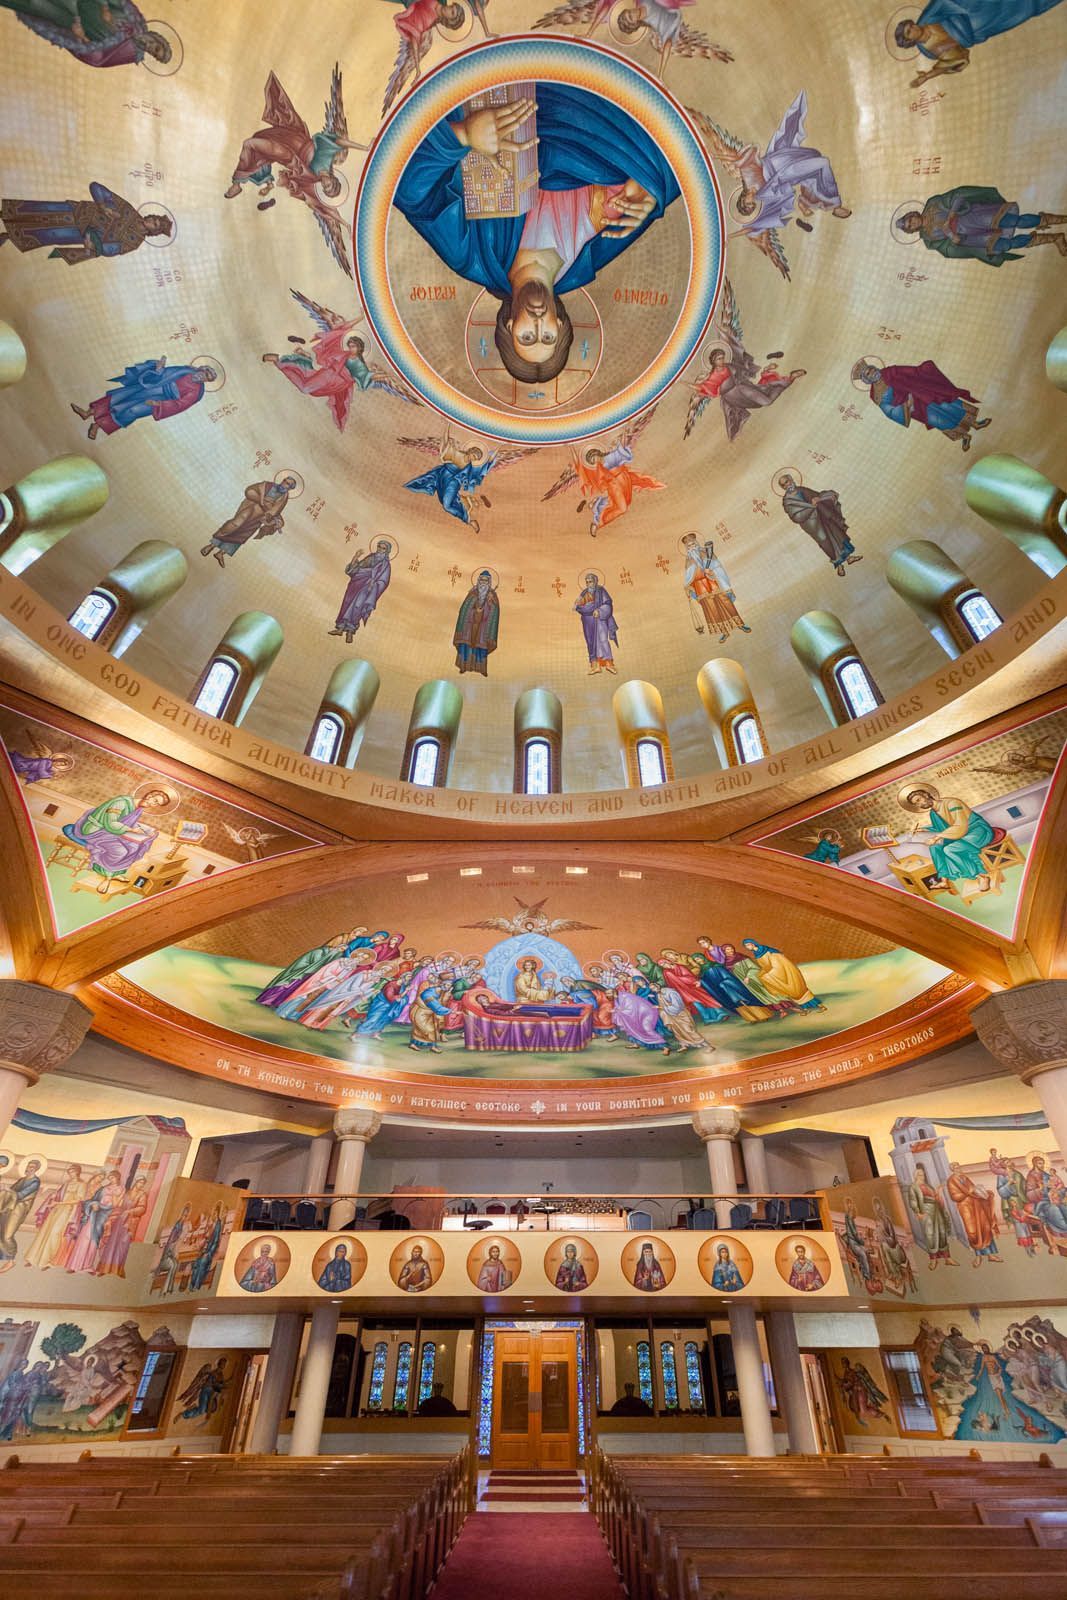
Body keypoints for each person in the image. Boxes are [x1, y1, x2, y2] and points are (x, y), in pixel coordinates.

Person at [392, 84, 679, 384]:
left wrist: (464, 135)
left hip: (489, 85)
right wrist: (649, 187)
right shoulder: (592, 251)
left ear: (509, 323)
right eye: (548, 335)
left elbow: (408, 191)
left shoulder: (474, 256)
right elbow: (675, 164)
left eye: (528, 337)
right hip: (580, 84)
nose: (539, 325)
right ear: (560, 322)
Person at [893, 2, 1065, 88]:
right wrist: (927, 76)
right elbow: (953, 59)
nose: (914, 27)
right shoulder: (930, 50)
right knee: (1022, 10)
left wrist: (963, 12)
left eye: (911, 25)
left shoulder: (927, 18)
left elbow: (943, 2)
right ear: (910, 41)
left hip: (974, 7)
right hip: (981, 28)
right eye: (910, 31)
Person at [0, 183, 171, 263]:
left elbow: (111, 250)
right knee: (43, 209)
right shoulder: (128, 210)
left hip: (84, 234)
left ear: (153, 232)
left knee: (49, 234)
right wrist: (103, 206)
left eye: (154, 224)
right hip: (77, 211)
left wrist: (92, 246)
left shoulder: (133, 242)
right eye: (153, 218)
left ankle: (9, 235)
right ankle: (5, 214)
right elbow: (96, 187)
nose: (150, 220)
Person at [897, 186, 1067, 263]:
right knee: (1008, 244)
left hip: (975, 216)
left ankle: (1061, 219)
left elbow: (959, 197)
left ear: (913, 214)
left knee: (1015, 221)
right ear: (912, 230)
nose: (913, 223)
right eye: (910, 226)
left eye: (910, 220)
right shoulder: (928, 238)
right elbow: (948, 249)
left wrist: (951, 215)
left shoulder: (933, 204)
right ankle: (1054, 238)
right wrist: (954, 240)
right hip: (974, 239)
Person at [851, 359, 990, 451]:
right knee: (939, 420)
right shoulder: (875, 395)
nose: (873, 372)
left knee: (949, 405)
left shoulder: (891, 371)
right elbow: (889, 411)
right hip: (914, 408)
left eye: (872, 369)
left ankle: (975, 423)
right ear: (866, 380)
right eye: (869, 373)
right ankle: (964, 436)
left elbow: (911, 371)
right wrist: (907, 405)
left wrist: (924, 370)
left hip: (921, 392)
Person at [71, 358, 216, 441]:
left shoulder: (196, 392)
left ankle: (98, 426)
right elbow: (165, 374)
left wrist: (158, 404)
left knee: (132, 411)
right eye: (204, 373)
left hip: (160, 399)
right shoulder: (185, 370)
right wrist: (159, 370)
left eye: (206, 377)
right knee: (121, 396)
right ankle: (88, 412)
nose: (202, 376)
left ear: (206, 381)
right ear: (201, 369)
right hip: (153, 386)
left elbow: (180, 405)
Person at [1, 1, 174, 68]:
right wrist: (105, 7)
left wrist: (80, 37)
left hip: (71, 20)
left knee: (35, 4)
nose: (151, 48)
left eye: (154, 54)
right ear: (158, 38)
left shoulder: (129, 54)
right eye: (157, 47)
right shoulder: (135, 18)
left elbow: (97, 58)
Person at [897, 783, 995, 891]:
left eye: (919, 799)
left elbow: (960, 825)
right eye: (917, 803)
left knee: (950, 849)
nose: (920, 804)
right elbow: (943, 829)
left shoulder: (952, 803)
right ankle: (944, 881)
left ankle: (981, 877)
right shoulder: (933, 813)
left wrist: (935, 838)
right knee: (934, 847)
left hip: (977, 831)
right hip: (959, 834)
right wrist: (926, 830)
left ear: (926, 794)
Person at [61, 788, 171, 878]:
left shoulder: (138, 808)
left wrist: (148, 830)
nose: (153, 804)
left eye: (157, 804)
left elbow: (129, 822)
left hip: (111, 832)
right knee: (121, 851)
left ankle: (113, 873)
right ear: (149, 795)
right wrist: (131, 830)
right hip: (95, 830)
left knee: (134, 847)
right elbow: (110, 823)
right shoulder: (121, 802)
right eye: (155, 800)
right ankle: (99, 867)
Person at [200, 478, 297, 568]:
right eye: (284, 481)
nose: (284, 484)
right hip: (249, 509)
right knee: (234, 525)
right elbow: (249, 491)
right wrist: (262, 501)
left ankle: (221, 553)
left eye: (288, 484)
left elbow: (275, 511)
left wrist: (275, 520)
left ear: (290, 488)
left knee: (242, 535)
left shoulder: (284, 498)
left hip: (258, 518)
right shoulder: (267, 485)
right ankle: (211, 546)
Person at [777, 475, 860, 576]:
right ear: (783, 487)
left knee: (836, 535)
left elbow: (816, 495)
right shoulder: (788, 501)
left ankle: (848, 558)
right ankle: (839, 566)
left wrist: (818, 499)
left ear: (792, 479)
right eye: (784, 484)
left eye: (788, 481)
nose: (788, 484)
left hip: (822, 515)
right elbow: (796, 516)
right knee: (826, 542)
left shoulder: (801, 489)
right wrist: (811, 506)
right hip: (812, 524)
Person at [682, 534, 751, 640]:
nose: (692, 547)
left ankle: (740, 624)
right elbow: (689, 577)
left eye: (693, 544)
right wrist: (690, 587)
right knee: (711, 609)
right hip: (701, 588)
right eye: (689, 546)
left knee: (726, 603)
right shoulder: (688, 560)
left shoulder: (706, 552)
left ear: (696, 543)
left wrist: (711, 571)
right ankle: (724, 631)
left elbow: (717, 567)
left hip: (713, 583)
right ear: (687, 548)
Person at [25, 1162, 89, 1270]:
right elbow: (60, 1195)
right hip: (57, 1210)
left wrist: (59, 1203)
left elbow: (79, 1200)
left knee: (55, 1234)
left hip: (67, 1212)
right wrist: (54, 1195)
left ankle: (47, 1261)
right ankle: (33, 1259)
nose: (71, 1174)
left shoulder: (82, 1184)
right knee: (45, 1232)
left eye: (73, 1171)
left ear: (78, 1172)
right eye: (70, 1172)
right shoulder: (67, 1182)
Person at [692, 938, 773, 1022]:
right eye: (696, 960)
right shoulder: (702, 971)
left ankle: (764, 1015)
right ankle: (751, 1018)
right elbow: (707, 982)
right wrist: (701, 982)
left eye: (699, 958)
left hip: (731, 986)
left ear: (702, 958)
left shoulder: (715, 965)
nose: (698, 960)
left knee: (745, 999)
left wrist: (725, 983)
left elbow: (726, 975)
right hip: (724, 990)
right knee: (737, 1004)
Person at [330, 543, 394, 642]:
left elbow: (384, 581)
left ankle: (350, 632)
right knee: (347, 604)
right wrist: (355, 557)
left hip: (368, 588)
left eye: (383, 548)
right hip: (356, 584)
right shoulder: (371, 557)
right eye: (379, 547)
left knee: (358, 607)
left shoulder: (386, 565)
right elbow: (357, 569)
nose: (380, 549)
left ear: (387, 551)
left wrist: (374, 584)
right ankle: (340, 628)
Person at [65, 1168, 124, 1275]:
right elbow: (92, 1199)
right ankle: (74, 1265)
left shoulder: (120, 1189)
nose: (111, 1179)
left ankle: (87, 1266)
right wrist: (93, 1204)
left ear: (117, 1178)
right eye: (109, 1177)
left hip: (105, 1215)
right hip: (94, 1213)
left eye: (113, 1177)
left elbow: (116, 1205)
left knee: (94, 1240)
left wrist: (110, 1199)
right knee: (84, 1238)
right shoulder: (103, 1188)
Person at [740, 940, 825, 1011]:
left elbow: (779, 963)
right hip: (775, 975)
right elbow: (765, 966)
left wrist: (769, 973)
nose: (747, 947)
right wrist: (763, 975)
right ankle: (805, 1008)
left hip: (785, 972)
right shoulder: (756, 954)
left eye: (748, 945)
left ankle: (819, 1005)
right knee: (790, 991)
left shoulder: (768, 951)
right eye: (746, 946)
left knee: (797, 988)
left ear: (753, 943)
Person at [946, 1162, 1001, 1265]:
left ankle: (990, 1255)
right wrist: (967, 1193)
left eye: (959, 1166)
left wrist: (981, 1193)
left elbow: (973, 1189)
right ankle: (978, 1256)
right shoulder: (951, 1181)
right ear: (952, 1169)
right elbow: (954, 1196)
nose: (958, 1168)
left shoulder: (964, 1177)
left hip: (976, 1205)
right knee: (973, 1232)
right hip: (966, 1208)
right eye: (956, 1167)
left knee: (985, 1227)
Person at [96, 1175, 149, 1278]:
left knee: (123, 1245)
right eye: (139, 1182)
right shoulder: (127, 1192)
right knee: (112, 1243)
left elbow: (142, 1208)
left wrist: (130, 1211)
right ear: (135, 1182)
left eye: (143, 1183)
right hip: (119, 1220)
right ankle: (104, 1268)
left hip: (130, 1222)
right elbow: (119, 1204)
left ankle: (118, 1269)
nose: (141, 1185)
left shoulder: (142, 1195)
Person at [907, 1161, 954, 1268]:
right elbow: (913, 1201)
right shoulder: (913, 1187)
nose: (922, 1176)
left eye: (923, 1174)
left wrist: (937, 1191)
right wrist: (918, 1212)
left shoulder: (928, 1186)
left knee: (942, 1232)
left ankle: (947, 1258)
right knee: (930, 1234)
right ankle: (933, 1259)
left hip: (936, 1210)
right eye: (920, 1175)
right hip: (926, 1211)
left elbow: (934, 1197)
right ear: (916, 1176)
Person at [453, 571, 500, 676]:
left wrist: (489, 604)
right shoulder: (472, 593)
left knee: (481, 647)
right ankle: (464, 665)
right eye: (482, 580)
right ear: (478, 581)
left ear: (489, 582)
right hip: (469, 624)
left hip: (483, 626)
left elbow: (495, 612)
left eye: (486, 580)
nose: (483, 583)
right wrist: (474, 611)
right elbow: (465, 609)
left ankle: (481, 668)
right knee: (465, 644)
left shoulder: (492, 595)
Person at [0, 1160, 43, 1271]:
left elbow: (21, 1194)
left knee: (7, 1236)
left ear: (37, 1168)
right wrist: (5, 1191)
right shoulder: (21, 1180)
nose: (29, 1168)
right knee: (1, 1231)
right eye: (29, 1166)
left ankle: (11, 1261)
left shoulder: (35, 1182)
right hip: (9, 1207)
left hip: (19, 1210)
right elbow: (12, 1191)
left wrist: (7, 1190)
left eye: (32, 1166)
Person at [575, 574, 618, 673]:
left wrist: (599, 610)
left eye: (590, 581)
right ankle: (595, 666)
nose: (588, 584)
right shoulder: (584, 593)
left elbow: (608, 604)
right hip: (588, 621)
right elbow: (578, 605)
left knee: (603, 640)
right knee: (591, 642)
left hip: (599, 620)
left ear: (595, 581)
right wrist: (581, 605)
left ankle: (609, 664)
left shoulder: (601, 591)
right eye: (587, 582)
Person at [838, 1356, 892, 1424]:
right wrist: (843, 1384)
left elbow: (850, 1383)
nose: (843, 1364)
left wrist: (842, 1383)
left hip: (860, 1391)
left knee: (863, 1411)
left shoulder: (852, 1372)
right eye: (842, 1363)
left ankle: (884, 1415)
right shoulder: (846, 1373)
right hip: (855, 1393)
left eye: (844, 1362)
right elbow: (847, 1383)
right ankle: (879, 1414)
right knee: (857, 1409)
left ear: (847, 1363)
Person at [188, 1203, 225, 1291]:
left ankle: (197, 1286)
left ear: (218, 1214)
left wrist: (208, 1253)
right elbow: (205, 1237)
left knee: (202, 1263)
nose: (214, 1215)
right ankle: (192, 1285)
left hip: (210, 1251)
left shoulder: (218, 1224)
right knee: (196, 1263)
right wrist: (200, 1245)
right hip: (204, 1249)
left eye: (215, 1214)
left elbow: (215, 1241)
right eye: (213, 1213)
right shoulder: (212, 1224)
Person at [408, 978, 451, 1052]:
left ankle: (433, 1046)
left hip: (429, 1012)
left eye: (449, 986)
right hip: (421, 1012)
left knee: (433, 1029)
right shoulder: (429, 993)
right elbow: (436, 1006)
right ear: (442, 984)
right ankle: (413, 1044)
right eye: (447, 985)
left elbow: (441, 1003)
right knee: (423, 1029)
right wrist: (450, 1011)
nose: (448, 987)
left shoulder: (441, 992)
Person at [156, 1203, 190, 1294]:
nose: (185, 1218)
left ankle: (169, 1288)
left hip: (171, 1253)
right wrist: (176, 1243)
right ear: (181, 1215)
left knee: (176, 1264)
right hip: (166, 1257)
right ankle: (166, 1289)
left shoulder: (181, 1225)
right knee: (173, 1265)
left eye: (186, 1216)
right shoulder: (178, 1226)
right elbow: (172, 1242)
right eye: (184, 1215)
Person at [842, 1197, 873, 1282]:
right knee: (863, 1254)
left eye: (851, 1203)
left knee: (867, 1252)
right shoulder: (848, 1217)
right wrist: (862, 1241)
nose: (850, 1205)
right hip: (853, 1242)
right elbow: (854, 1234)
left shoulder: (850, 1217)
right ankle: (867, 1276)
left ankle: (864, 1270)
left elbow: (855, 1233)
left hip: (855, 1241)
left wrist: (861, 1241)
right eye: (848, 1204)